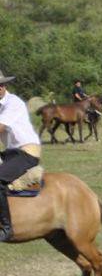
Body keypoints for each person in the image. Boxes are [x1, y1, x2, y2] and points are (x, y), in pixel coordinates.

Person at [0, 71, 43, 241]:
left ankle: (6, 227)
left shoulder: (13, 103)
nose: (0, 87)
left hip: (27, 151)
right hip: (11, 153)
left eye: (1, 84)